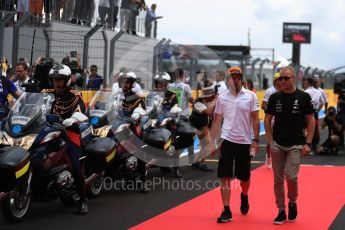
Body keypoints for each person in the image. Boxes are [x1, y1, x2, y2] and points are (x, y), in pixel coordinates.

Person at [264, 66, 315, 225]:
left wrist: (308, 143)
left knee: (291, 177)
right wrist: (271, 142)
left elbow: (311, 120)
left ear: (294, 78)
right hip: (278, 144)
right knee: (278, 180)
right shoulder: (274, 97)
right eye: (281, 78)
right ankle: (281, 210)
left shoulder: (304, 96)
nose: (283, 81)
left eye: (286, 78)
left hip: (296, 144)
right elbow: (266, 120)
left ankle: (292, 202)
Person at [211, 66, 260, 223]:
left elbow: (255, 118)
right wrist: (213, 141)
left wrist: (255, 140)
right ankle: (226, 209)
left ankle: (244, 195)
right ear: (228, 80)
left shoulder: (251, 96)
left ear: (241, 79)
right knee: (225, 176)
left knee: (244, 178)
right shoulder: (222, 97)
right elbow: (217, 120)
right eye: (232, 77)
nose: (235, 80)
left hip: (244, 142)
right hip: (226, 140)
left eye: (237, 77)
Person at [45, 64, 88, 215]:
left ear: (67, 80)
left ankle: (83, 200)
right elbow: (31, 104)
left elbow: (81, 111)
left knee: (75, 166)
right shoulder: (46, 93)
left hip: (69, 134)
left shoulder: (75, 96)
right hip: (47, 132)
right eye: (55, 79)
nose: (57, 82)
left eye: (61, 79)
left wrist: (73, 119)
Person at [119, 70, 147, 192]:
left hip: (133, 128)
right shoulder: (118, 97)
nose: (124, 85)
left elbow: (141, 109)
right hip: (117, 127)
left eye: (127, 83)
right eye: (123, 82)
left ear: (132, 84)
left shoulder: (137, 98)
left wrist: (136, 114)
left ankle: (143, 181)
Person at [154, 72, 183, 178]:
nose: (161, 86)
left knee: (174, 142)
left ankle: (176, 169)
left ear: (167, 84)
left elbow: (176, 108)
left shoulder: (173, 95)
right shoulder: (151, 94)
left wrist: (172, 114)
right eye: (159, 83)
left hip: (168, 122)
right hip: (154, 121)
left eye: (163, 84)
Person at [189, 86, 215, 172]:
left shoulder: (208, 101)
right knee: (207, 142)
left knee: (205, 143)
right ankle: (202, 163)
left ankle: (196, 162)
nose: (212, 98)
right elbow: (208, 111)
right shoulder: (198, 103)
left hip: (203, 125)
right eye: (211, 96)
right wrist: (215, 101)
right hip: (197, 126)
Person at [261, 72, 281, 168]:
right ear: (274, 81)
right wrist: (272, 111)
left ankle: (279, 159)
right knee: (271, 140)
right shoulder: (270, 91)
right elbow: (263, 105)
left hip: (282, 119)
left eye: (281, 79)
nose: (280, 82)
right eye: (278, 80)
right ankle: (268, 157)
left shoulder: (285, 90)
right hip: (271, 118)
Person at [303, 77, 324, 154]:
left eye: (305, 82)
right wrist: (316, 111)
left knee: (305, 130)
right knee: (315, 130)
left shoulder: (305, 92)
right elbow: (322, 102)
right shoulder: (318, 92)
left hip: (306, 113)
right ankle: (315, 146)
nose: (304, 84)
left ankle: (308, 146)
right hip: (314, 112)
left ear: (308, 83)